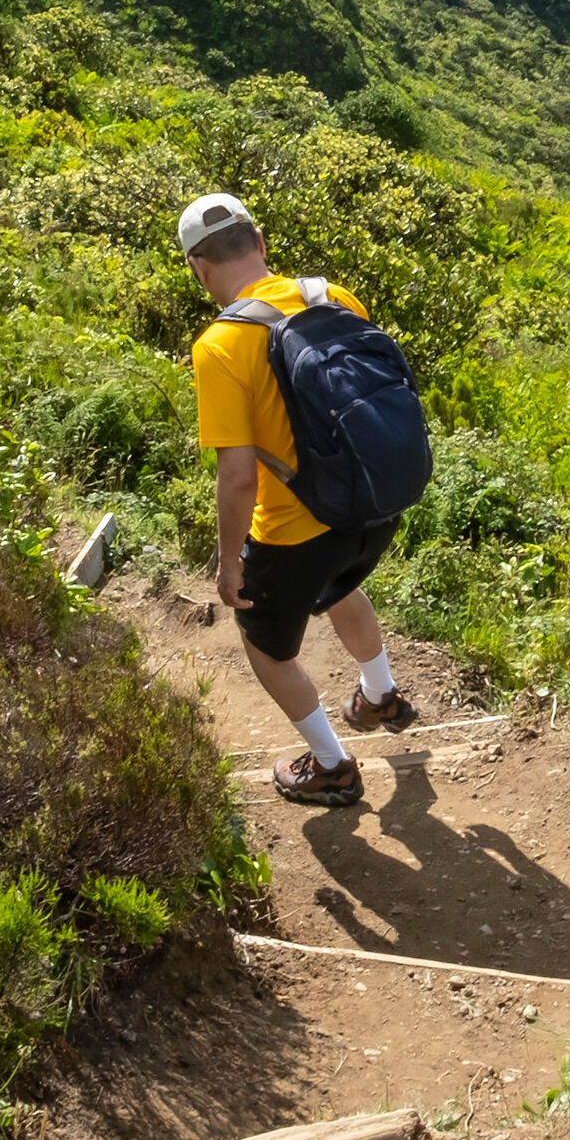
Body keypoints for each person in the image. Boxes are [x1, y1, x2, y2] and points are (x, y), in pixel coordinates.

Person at [179, 191, 420, 805]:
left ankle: (332, 765)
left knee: (265, 647)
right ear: (259, 242)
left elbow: (237, 476)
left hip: (294, 532)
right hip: (372, 507)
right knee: (341, 585)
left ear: (198, 269)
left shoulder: (219, 346)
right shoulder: (331, 295)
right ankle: (378, 695)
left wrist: (230, 562)